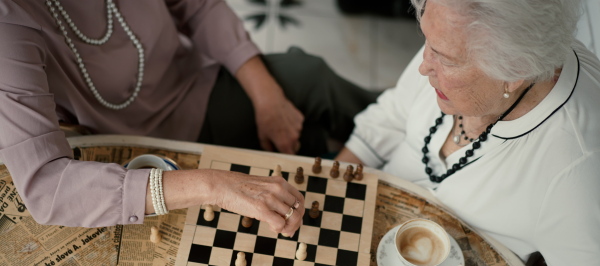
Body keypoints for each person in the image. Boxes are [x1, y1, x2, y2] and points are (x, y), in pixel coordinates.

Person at [338, 0, 600, 266]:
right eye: (426, 41)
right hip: (368, 225)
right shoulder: (453, 32)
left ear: (513, 72)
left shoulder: (576, 170)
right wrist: (331, 181)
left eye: (445, 59)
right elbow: (392, 114)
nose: (423, 66)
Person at [0, 0, 379, 233]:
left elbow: (199, 6)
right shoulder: (9, 24)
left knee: (308, 79)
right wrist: (213, 185)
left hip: (198, 85)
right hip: (135, 146)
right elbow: (46, 184)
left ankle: (406, 129)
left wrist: (267, 97)